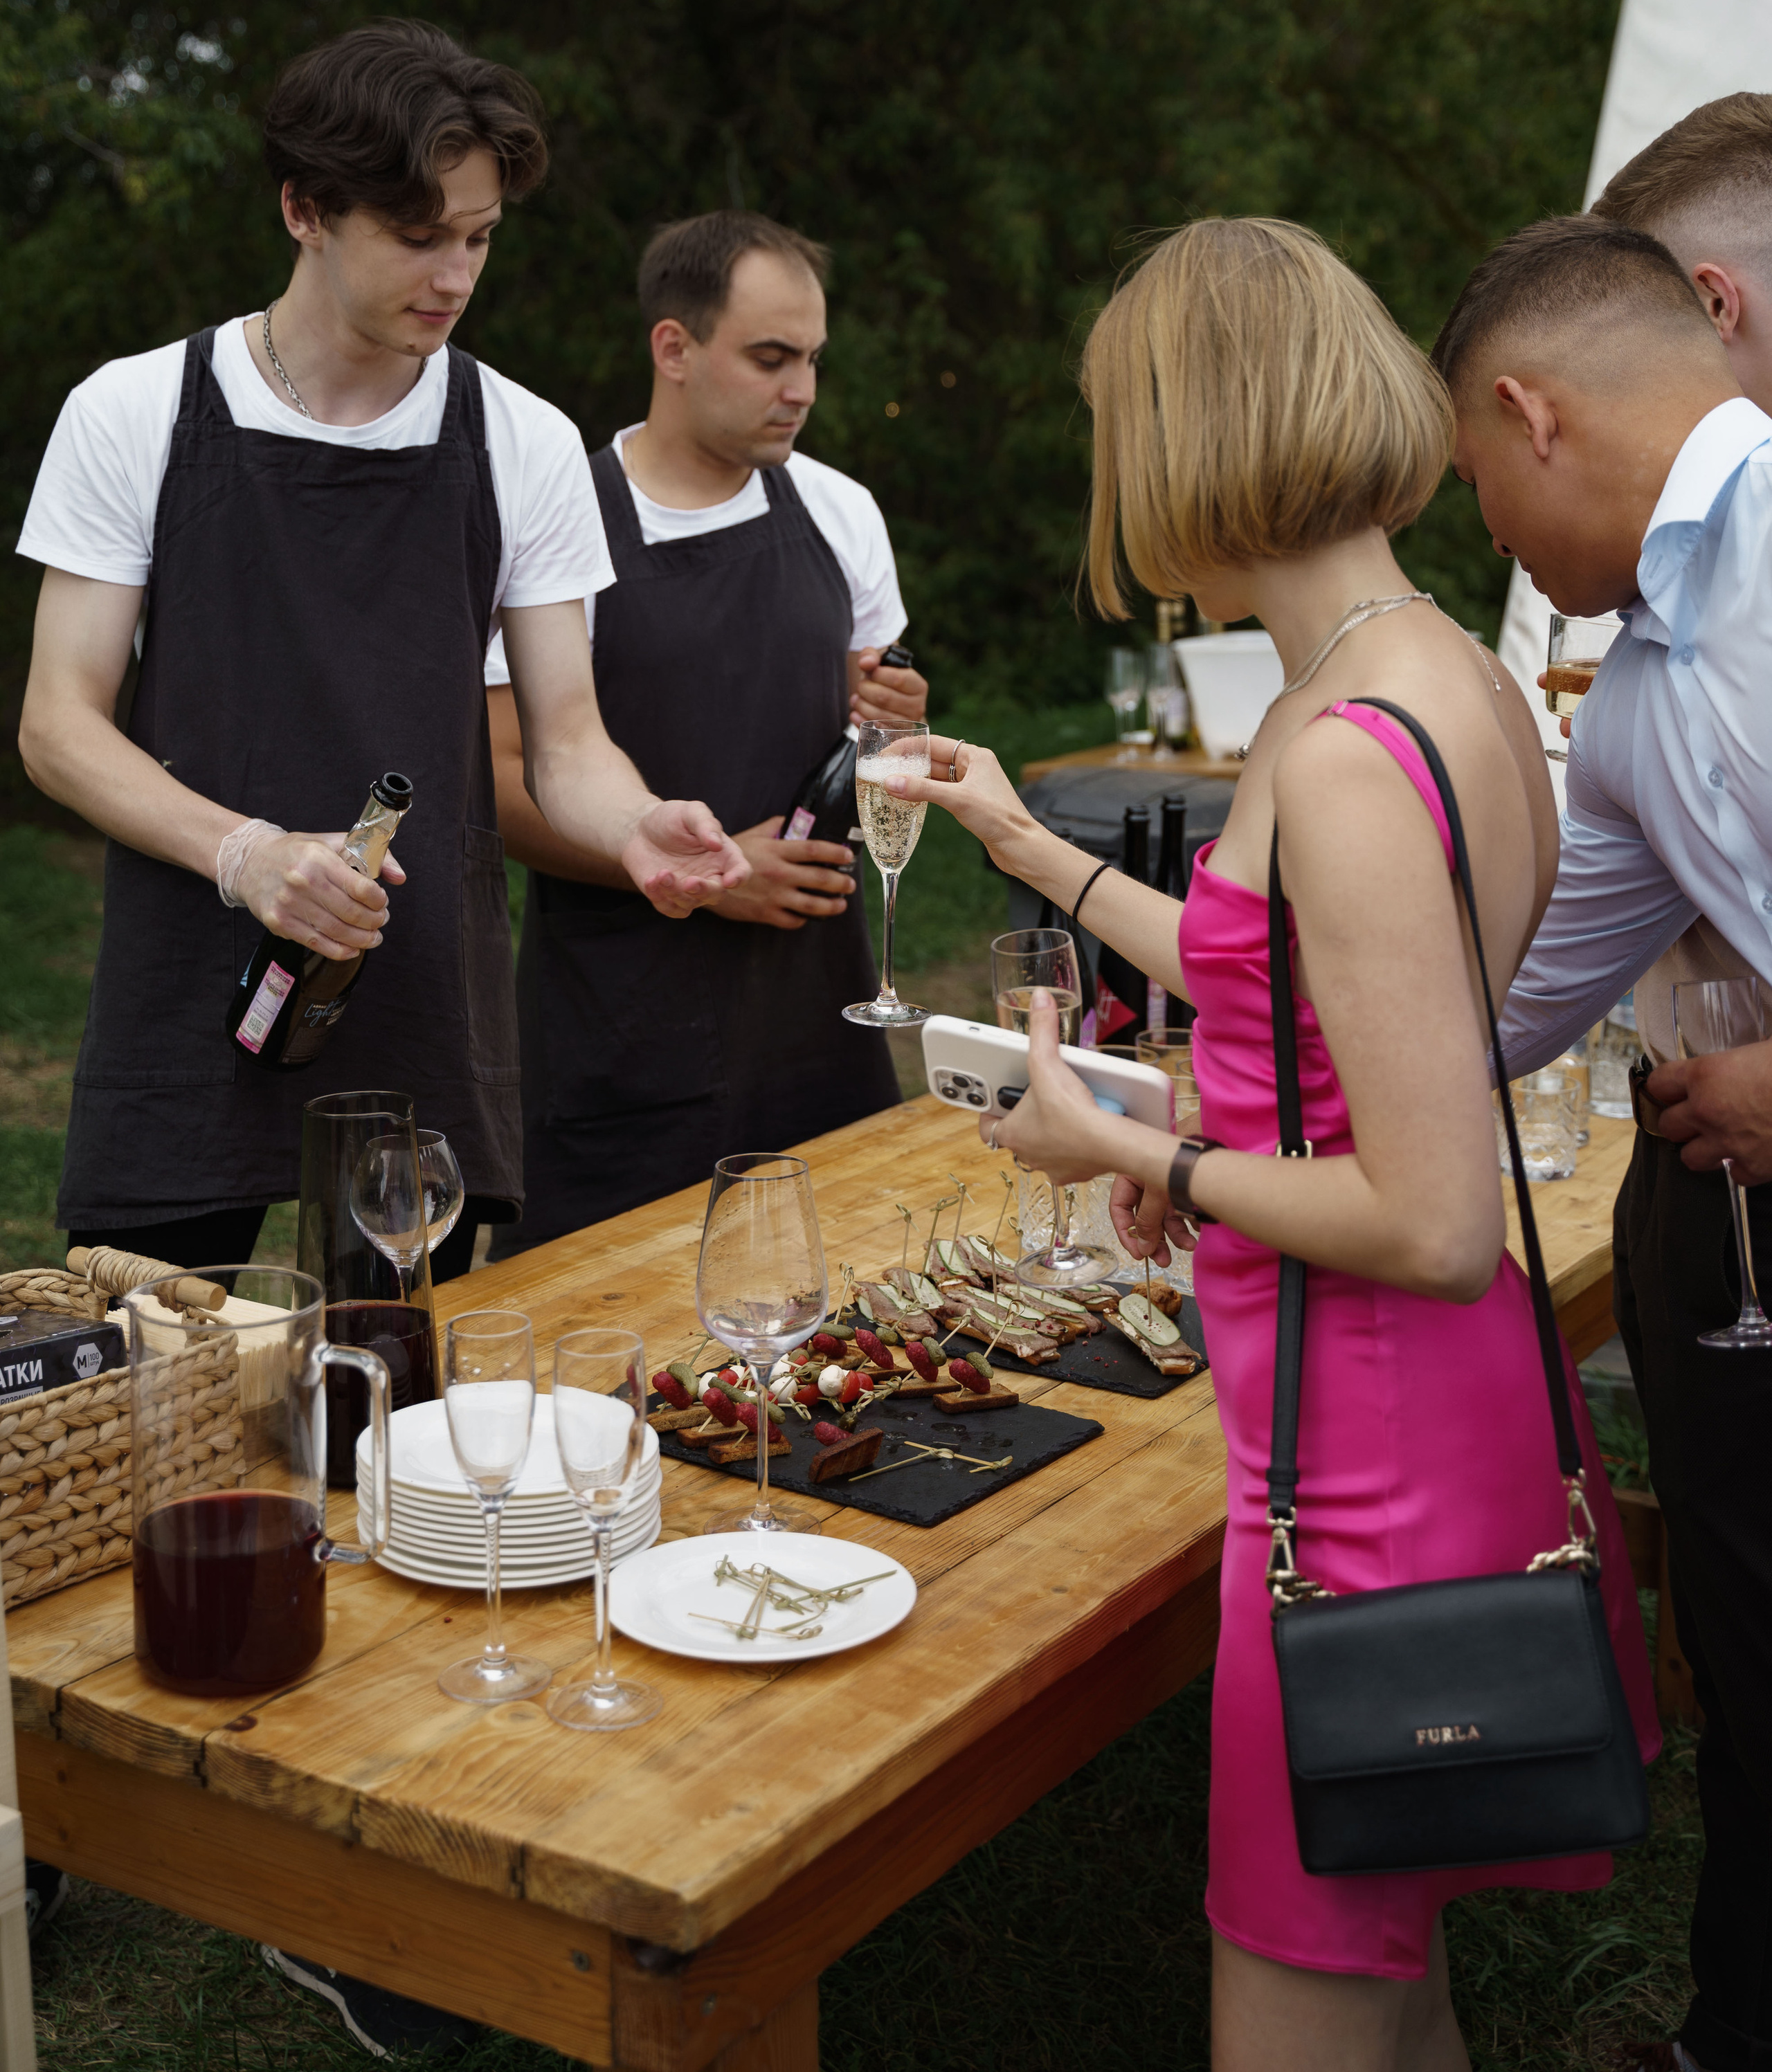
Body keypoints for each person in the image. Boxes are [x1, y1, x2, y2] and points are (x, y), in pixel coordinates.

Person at [887, 217, 1657, 2071]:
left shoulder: (1336, 749)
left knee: (1302, 2000)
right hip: (1389, 1410)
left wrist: (1140, 1154)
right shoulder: (1431, 667)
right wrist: (1030, 847)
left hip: (1362, 1449)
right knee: (1392, 1985)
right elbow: (1309, 984)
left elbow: (1433, 1214)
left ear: (1182, 438)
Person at [15, 21, 747, 1273]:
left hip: (417, 996)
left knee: (392, 1381)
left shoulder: (521, 439)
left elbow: (566, 742)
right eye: (418, 236)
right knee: (157, 1373)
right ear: (305, 209)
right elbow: (57, 727)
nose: (455, 275)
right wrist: (246, 855)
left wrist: (635, 824)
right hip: (184, 985)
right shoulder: (134, 410)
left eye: (480, 237)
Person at [1440, 190, 1772, 2072]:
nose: (1490, 534)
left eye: (1478, 488)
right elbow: (1496, 1009)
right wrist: (1215, 1069)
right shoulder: (1633, 702)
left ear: (1530, 412)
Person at [484, 209, 926, 1251]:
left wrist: (896, 722)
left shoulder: (841, 510)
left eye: (813, 359)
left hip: (817, 1020)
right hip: (620, 1036)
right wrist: (713, 874)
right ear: (673, 348)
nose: (802, 389)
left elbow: (877, 745)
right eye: (771, 358)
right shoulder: (558, 523)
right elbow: (497, 779)